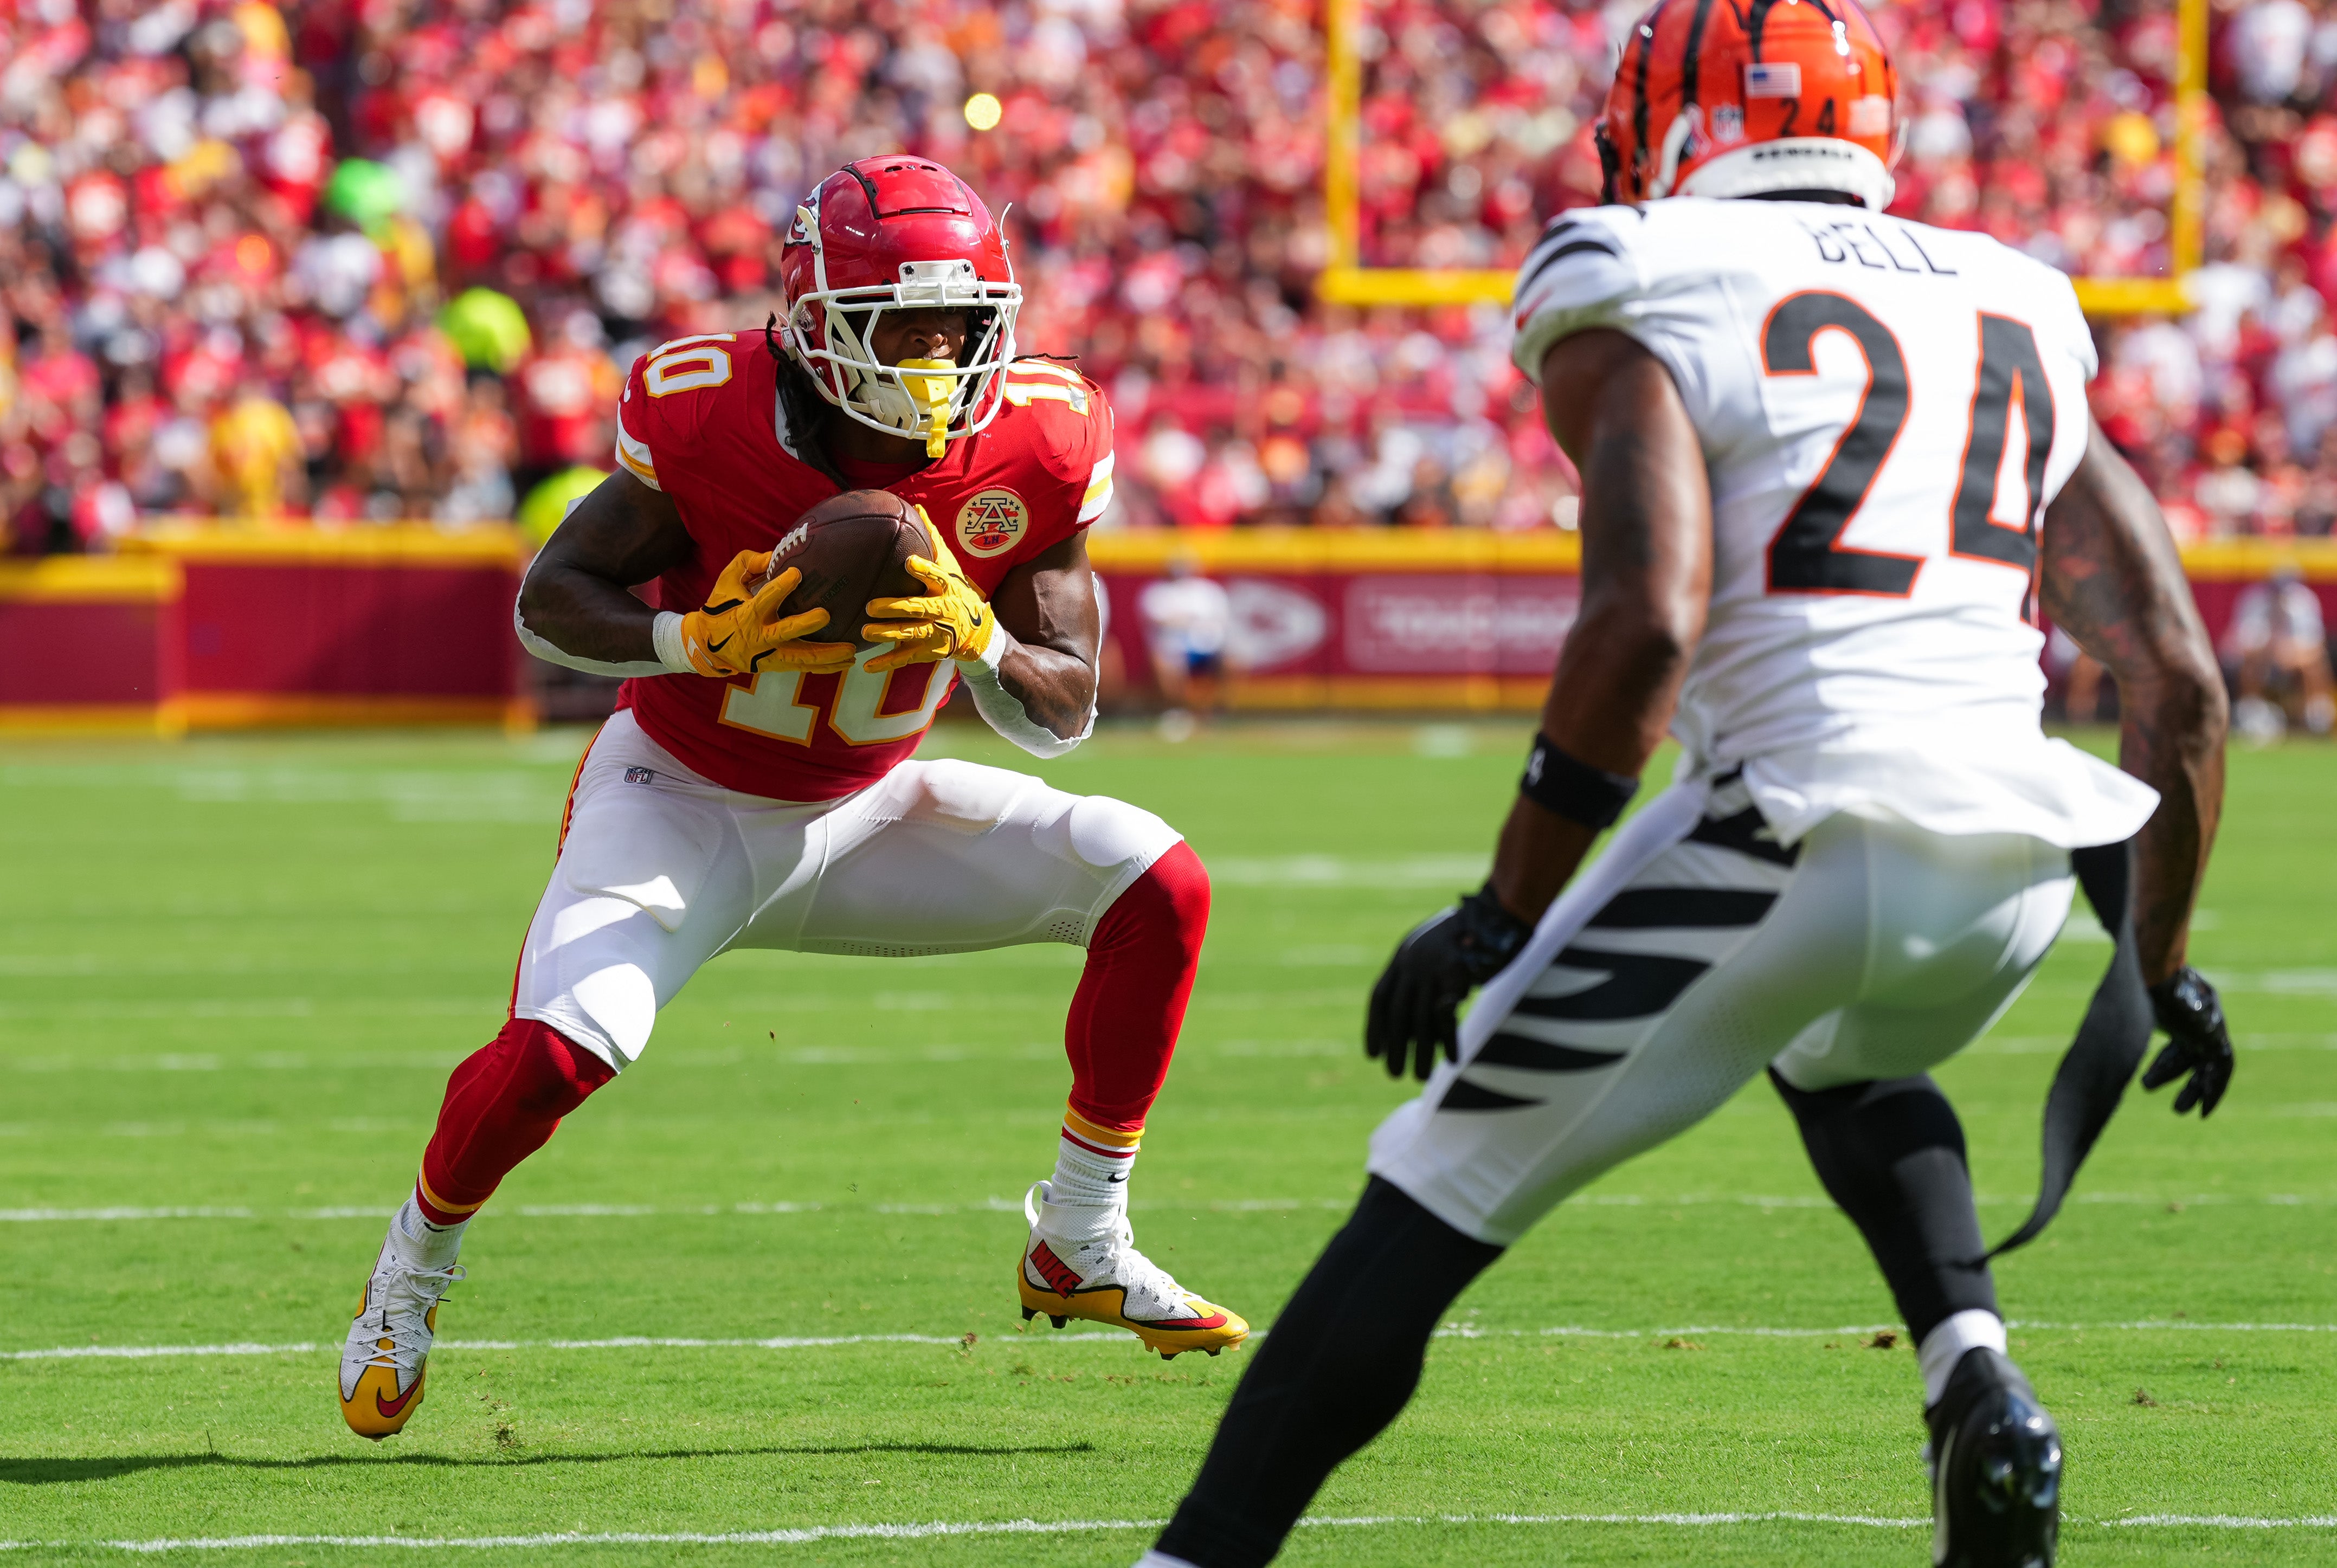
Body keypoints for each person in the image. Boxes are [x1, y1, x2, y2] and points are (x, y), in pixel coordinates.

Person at [1137, 7, 2235, 1567]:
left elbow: (1642, 625)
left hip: (1786, 838)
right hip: (2010, 881)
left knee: (1431, 1182)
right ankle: (1973, 1381)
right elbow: (2176, 683)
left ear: (1662, 124)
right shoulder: (2014, 294)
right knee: (1833, 1050)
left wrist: (1498, 910)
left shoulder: (1638, 261)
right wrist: (2161, 965)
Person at [339, 156, 1247, 1441]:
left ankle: (1080, 1239)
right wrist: (686, 642)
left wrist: (982, 641)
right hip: (682, 792)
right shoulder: (710, 415)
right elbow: (551, 600)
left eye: (961, 325)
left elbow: (1065, 709)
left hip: (870, 808)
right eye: (903, 327)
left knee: (1156, 880)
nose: (939, 357)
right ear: (816, 322)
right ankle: (408, 1271)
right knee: (554, 1053)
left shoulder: (1039, 437)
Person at [2224, 564, 2333, 740]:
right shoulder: (2254, 599)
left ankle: (2316, 715)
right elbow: (2242, 642)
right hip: (2262, 660)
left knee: (2314, 664)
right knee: (2252, 664)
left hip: (2294, 661)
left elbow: (2315, 644)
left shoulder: (2304, 600)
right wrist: (2269, 649)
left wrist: (2290, 652)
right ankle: (2251, 711)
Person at [1137, 553, 1233, 730]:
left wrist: (1186, 622)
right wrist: (1192, 621)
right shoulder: (1157, 592)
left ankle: (1210, 711)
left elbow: (1221, 621)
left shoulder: (1209, 591)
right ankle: (1177, 710)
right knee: (1164, 665)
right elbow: (1160, 621)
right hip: (1174, 648)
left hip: (1207, 646)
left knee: (1232, 662)